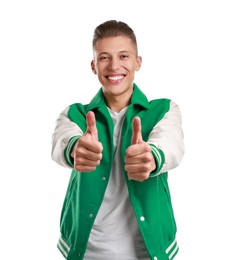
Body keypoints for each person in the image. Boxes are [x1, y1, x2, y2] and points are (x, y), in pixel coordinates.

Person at [51, 20, 184, 260]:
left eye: (123, 56)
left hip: (146, 252)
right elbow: (62, 141)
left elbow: (171, 144)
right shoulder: (75, 114)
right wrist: (77, 149)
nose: (114, 66)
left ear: (137, 62)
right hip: (87, 251)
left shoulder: (164, 109)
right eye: (104, 58)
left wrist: (151, 157)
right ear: (93, 65)